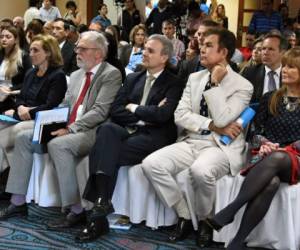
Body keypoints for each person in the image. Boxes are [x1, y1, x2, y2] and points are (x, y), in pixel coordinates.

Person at [141, 28, 253, 247]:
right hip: (192, 140)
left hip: (220, 146)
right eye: (202, 44)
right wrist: (211, 125)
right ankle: (183, 215)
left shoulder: (243, 85)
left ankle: (205, 221)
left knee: (200, 171)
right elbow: (180, 115)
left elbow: (223, 118)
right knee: (151, 164)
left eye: (209, 45)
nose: (202, 48)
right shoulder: (194, 77)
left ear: (224, 53)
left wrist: (215, 84)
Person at [0, 31, 122, 226]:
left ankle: (76, 209)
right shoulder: (75, 75)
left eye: (82, 49)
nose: (77, 52)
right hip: (67, 125)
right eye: (77, 48)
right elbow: (65, 105)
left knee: (58, 145)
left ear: (98, 53)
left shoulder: (110, 74)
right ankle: (18, 201)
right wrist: (49, 123)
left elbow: (100, 111)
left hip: (91, 130)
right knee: (24, 137)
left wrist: (71, 128)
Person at [75, 34, 184, 243]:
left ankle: (98, 214)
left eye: (150, 50)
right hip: (129, 130)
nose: (144, 52)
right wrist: (146, 115)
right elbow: (116, 110)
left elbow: (163, 116)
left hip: (154, 136)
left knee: (103, 151)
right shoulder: (134, 77)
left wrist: (134, 108)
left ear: (164, 57)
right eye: (144, 48)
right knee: (106, 130)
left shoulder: (174, 83)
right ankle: (101, 204)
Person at [205, 46, 300, 250]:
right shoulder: (270, 97)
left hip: (295, 158)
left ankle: (231, 210)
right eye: (286, 66)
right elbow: (254, 131)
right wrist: (263, 143)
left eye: (292, 67)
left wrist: (284, 149)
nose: (285, 70)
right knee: (271, 183)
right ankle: (238, 242)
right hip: (266, 156)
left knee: (279, 157)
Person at [0, 34, 67, 174]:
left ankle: (10, 180)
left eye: (35, 50)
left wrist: (27, 112)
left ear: (48, 52)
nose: (31, 54)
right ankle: (8, 179)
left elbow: (50, 105)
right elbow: (20, 97)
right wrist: (19, 108)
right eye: (30, 50)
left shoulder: (57, 76)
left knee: (7, 137)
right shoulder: (31, 72)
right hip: (23, 115)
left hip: (42, 119)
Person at [242, 32, 288, 104]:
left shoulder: (290, 74)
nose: (265, 52)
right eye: (263, 49)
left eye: (271, 49)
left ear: (282, 52)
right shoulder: (249, 73)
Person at [0, 26, 32, 113]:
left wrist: (10, 89)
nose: (4, 39)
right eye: (1, 36)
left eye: (8, 37)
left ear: (15, 39)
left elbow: (28, 81)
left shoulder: (23, 56)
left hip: (13, 96)